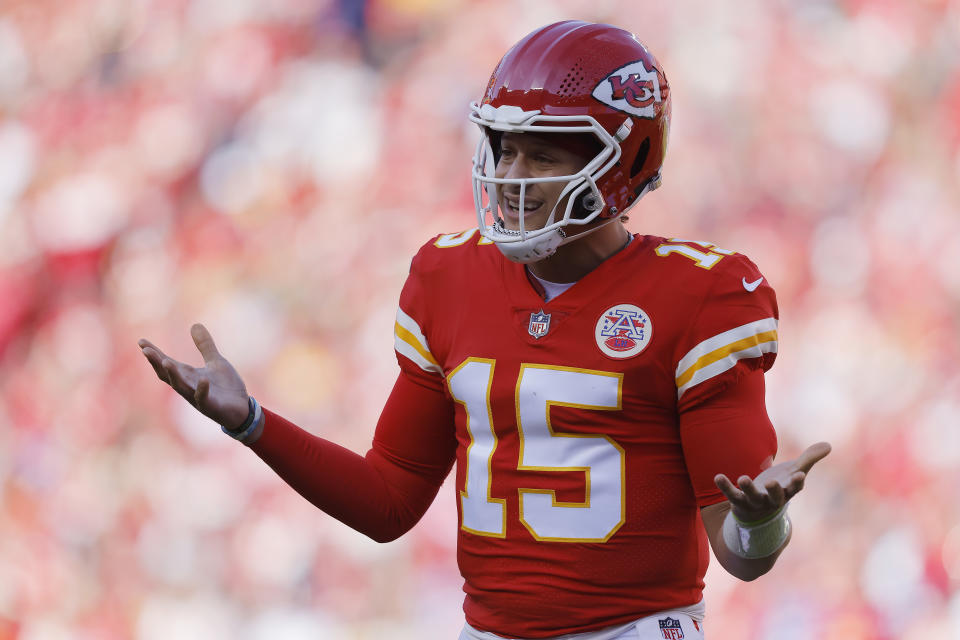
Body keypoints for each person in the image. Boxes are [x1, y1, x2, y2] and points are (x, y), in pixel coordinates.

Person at [139, 20, 831, 640]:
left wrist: (763, 519)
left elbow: (741, 556)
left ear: (625, 161)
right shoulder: (447, 276)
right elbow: (389, 501)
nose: (510, 177)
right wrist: (253, 423)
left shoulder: (702, 294)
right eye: (504, 148)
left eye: (544, 155)